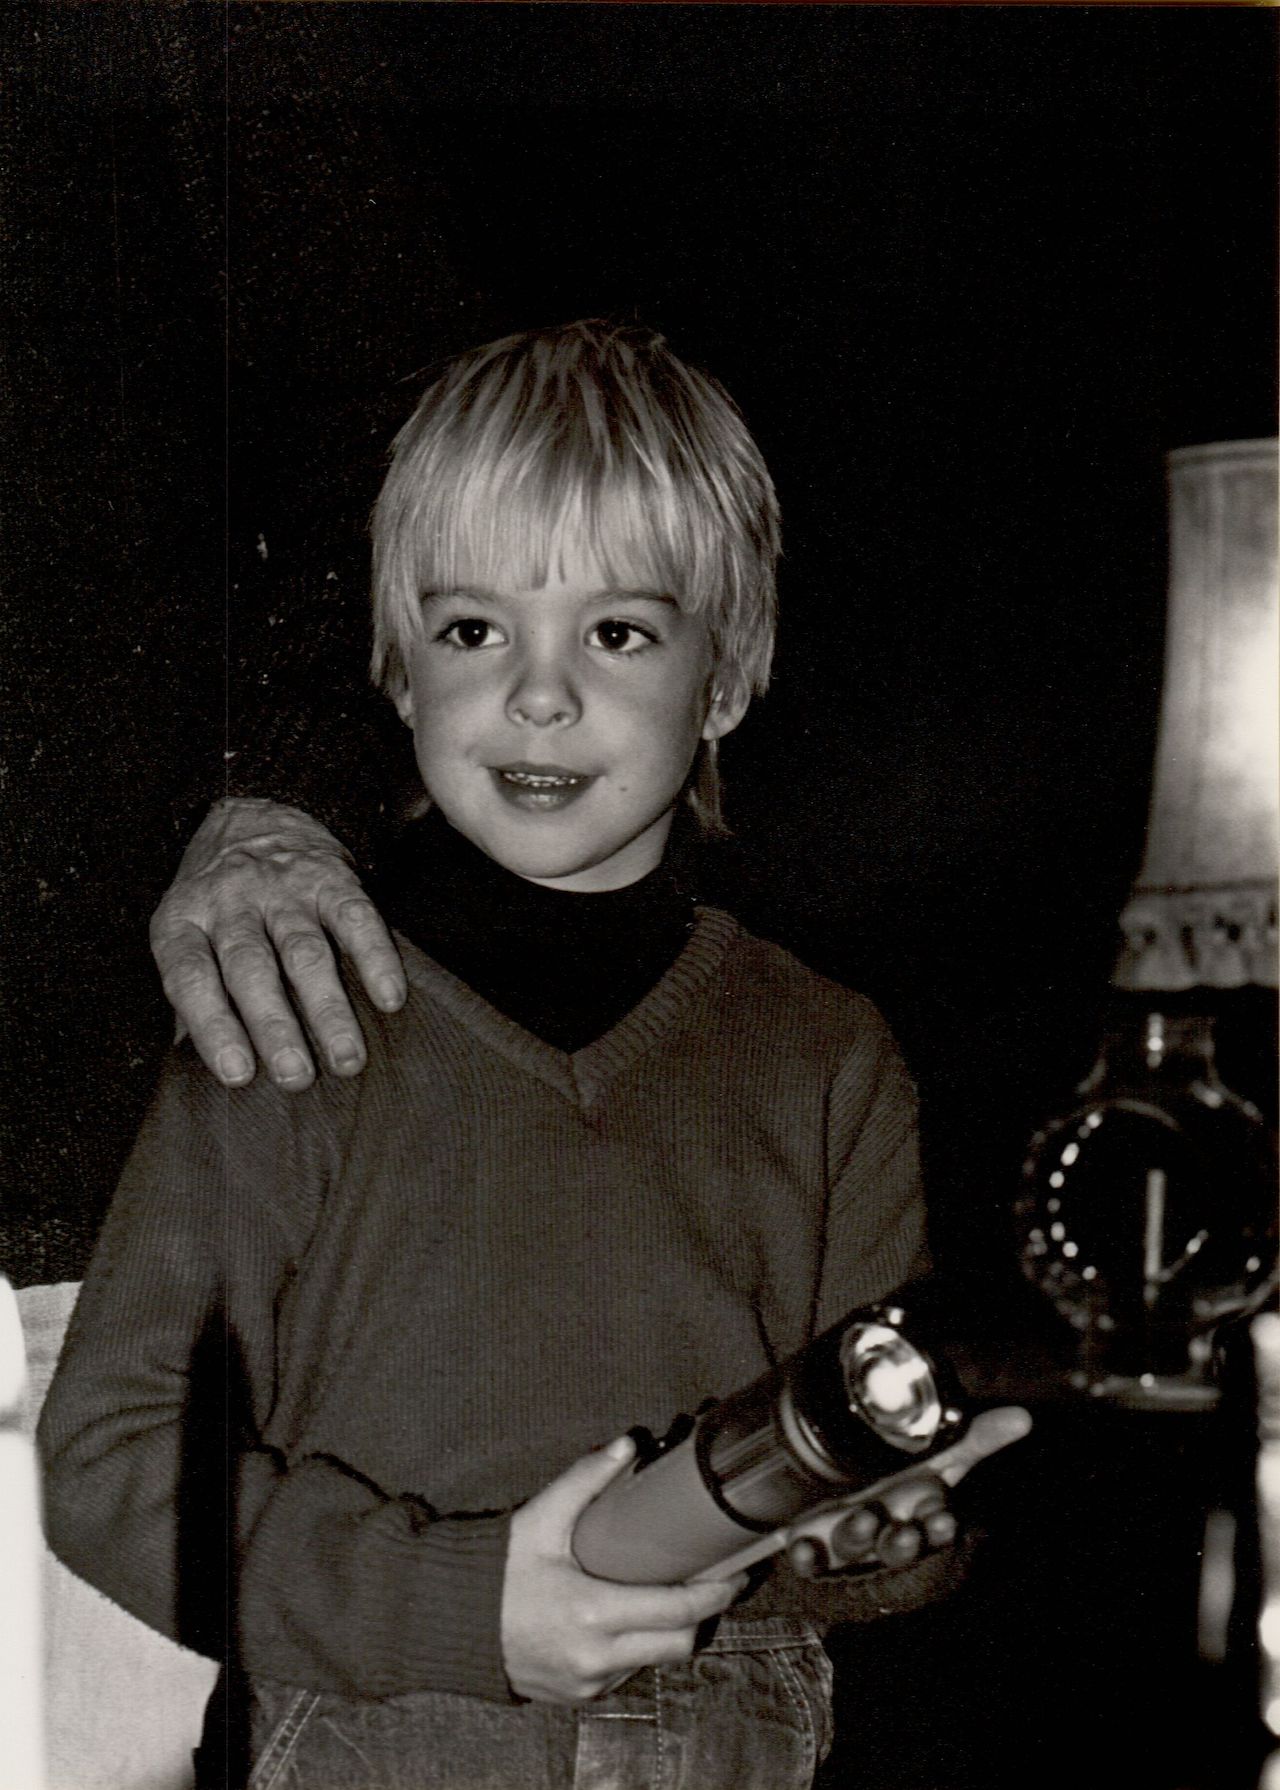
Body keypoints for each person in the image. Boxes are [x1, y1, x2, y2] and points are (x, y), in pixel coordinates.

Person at [42, 320, 980, 1789]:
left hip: (735, 1732)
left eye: (617, 632)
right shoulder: (288, 1020)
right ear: (396, 674)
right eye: (472, 630)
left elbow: (857, 1479)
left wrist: (873, 1533)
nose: (537, 696)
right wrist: (464, 1605)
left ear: (726, 676)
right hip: (375, 1730)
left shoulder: (828, 1053)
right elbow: (112, 1461)